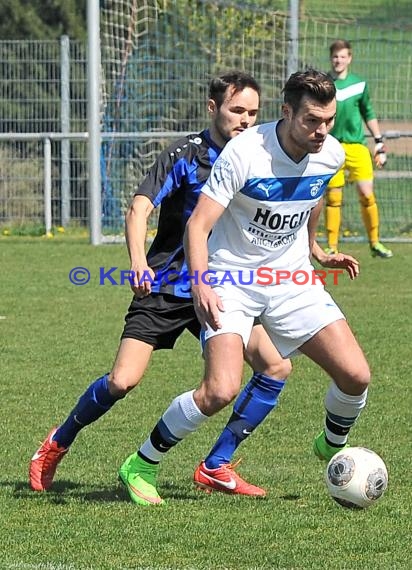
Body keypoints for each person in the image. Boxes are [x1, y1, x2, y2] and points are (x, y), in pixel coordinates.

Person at [29, 71, 292, 496]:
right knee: (122, 381)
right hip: (166, 287)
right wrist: (137, 262)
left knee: (275, 366)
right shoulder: (186, 155)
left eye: (253, 113)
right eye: (236, 110)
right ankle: (57, 442)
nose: (245, 120)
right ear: (213, 109)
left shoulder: (259, 159)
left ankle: (217, 464)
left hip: (223, 290)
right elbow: (138, 209)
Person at [118, 69, 368, 506]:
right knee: (220, 389)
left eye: (328, 120)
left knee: (356, 376)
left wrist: (317, 250)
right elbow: (198, 225)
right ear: (287, 112)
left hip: (290, 279)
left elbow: (308, 199)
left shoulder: (330, 155)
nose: (321, 131)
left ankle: (330, 445)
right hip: (231, 278)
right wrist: (200, 285)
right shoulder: (245, 152)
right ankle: (141, 463)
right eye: (312, 120)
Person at [325, 39, 393, 258]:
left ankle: (375, 242)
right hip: (331, 147)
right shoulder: (324, 84)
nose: (338, 60)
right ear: (331, 58)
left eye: (343, 56)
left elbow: (369, 113)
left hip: (357, 147)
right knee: (333, 197)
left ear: (349, 58)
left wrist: (379, 141)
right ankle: (332, 246)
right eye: (335, 56)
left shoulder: (359, 84)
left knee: (366, 193)